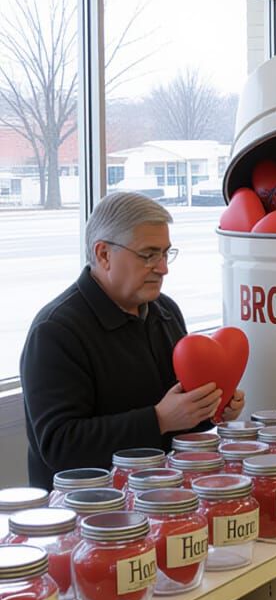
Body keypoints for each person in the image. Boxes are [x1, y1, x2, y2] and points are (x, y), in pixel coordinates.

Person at [22, 192, 245, 488]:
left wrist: (211, 409)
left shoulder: (165, 311)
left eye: (166, 253)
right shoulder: (55, 331)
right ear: (103, 255)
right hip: (87, 511)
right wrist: (158, 420)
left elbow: (177, 414)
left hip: (161, 497)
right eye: (148, 255)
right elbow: (60, 445)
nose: (163, 268)